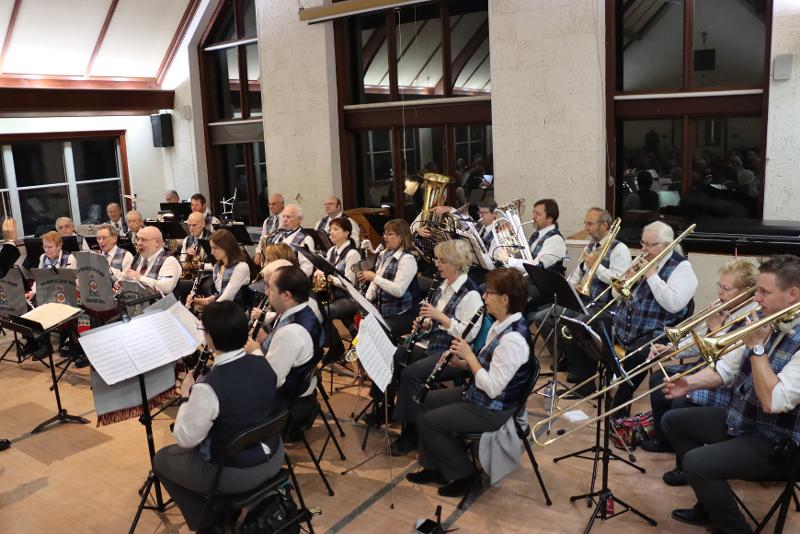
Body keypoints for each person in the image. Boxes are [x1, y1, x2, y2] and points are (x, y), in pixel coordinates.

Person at [662, 255, 800, 534]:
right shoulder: (769, 319)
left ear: (792, 295)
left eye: (764, 292)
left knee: (696, 464)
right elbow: (727, 369)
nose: (756, 298)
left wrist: (757, 349)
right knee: (673, 422)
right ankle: (711, 505)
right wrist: (689, 383)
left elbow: (774, 402)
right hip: (745, 418)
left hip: (777, 442)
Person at [153, 301, 283, 532]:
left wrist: (186, 397)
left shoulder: (208, 387)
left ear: (210, 337)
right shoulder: (263, 363)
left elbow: (185, 439)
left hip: (238, 473)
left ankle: (209, 524)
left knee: (162, 460)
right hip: (275, 455)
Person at [406, 269, 532, 497]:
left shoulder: (513, 340)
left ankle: (465, 474)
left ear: (505, 299)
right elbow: (488, 366)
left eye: (489, 293)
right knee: (424, 401)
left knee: (427, 422)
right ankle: (434, 467)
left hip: (492, 409)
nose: (484, 297)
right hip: (478, 393)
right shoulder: (501, 324)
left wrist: (470, 356)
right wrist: (463, 364)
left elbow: (493, 388)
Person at [642, 259, 758, 485]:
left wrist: (715, 331)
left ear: (746, 291)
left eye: (727, 288)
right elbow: (698, 341)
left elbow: (729, 368)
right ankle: (665, 441)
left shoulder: (750, 318)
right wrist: (671, 349)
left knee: (681, 400)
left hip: (730, 383)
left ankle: (686, 466)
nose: (720, 292)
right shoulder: (724, 307)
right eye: (719, 286)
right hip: (710, 369)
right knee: (659, 380)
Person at [390, 239, 484, 455]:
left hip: (452, 352)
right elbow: (433, 320)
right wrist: (426, 322)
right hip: (432, 342)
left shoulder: (470, 293)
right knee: (398, 355)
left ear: (456, 263)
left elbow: (469, 334)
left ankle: (411, 433)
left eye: (442, 260)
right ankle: (389, 407)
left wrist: (440, 317)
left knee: (411, 374)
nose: (437, 264)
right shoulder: (443, 285)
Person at [611, 220, 697, 411]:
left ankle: (619, 404)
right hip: (625, 327)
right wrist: (627, 279)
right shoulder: (642, 260)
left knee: (636, 355)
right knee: (597, 332)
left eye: (649, 245)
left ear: (666, 246)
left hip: (657, 332)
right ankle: (603, 380)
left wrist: (651, 275)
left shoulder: (682, 268)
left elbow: (674, 304)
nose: (644, 249)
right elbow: (615, 295)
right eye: (643, 243)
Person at [559, 208, 632, 390]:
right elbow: (578, 273)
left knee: (580, 324)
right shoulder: (591, 246)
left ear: (604, 225)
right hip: (588, 299)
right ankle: (573, 366)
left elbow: (619, 282)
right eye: (586, 223)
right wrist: (568, 288)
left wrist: (596, 267)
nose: (586, 228)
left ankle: (586, 381)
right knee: (559, 315)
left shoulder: (619, 249)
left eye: (590, 224)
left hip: (608, 304)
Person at [245, 265, 324, 410]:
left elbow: (270, 380)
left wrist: (255, 350)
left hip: (285, 399)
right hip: (299, 386)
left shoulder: (290, 333)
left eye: (270, 288)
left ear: (286, 295)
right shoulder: (304, 311)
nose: (266, 292)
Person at [359, 218, 419, 339]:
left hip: (401, 313)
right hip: (382, 310)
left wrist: (374, 277)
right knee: (358, 327)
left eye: (390, 234)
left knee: (373, 332)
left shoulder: (407, 259)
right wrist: (367, 301)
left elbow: (398, 290)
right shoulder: (384, 254)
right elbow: (375, 283)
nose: (385, 237)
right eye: (385, 233)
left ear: (401, 237)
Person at [495, 198, 567, 275]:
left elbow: (537, 266)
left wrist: (509, 260)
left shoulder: (555, 240)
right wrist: (508, 238)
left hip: (544, 281)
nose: (533, 216)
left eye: (538, 214)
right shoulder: (535, 233)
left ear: (549, 219)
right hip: (529, 278)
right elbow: (525, 254)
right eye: (534, 212)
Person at [187, 229, 250, 311]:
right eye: (211, 248)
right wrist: (198, 300)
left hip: (236, 313)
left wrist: (208, 309)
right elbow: (220, 294)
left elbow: (227, 297)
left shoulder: (241, 267)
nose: (212, 252)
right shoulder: (217, 267)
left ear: (226, 247)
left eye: (215, 248)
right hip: (222, 310)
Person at [313, 217, 360, 322]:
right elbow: (325, 269)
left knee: (322, 312)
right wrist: (320, 272)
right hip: (333, 294)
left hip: (348, 298)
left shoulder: (352, 254)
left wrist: (328, 278)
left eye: (335, 229)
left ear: (346, 233)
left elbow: (349, 284)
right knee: (310, 306)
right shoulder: (332, 250)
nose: (331, 232)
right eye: (330, 229)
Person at [121, 226, 181, 294]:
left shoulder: (169, 260)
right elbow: (132, 279)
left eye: (143, 240)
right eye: (138, 239)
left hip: (158, 300)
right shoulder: (139, 257)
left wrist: (139, 278)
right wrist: (122, 282)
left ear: (157, 242)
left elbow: (166, 287)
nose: (139, 243)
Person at [260, 204, 315, 277]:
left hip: (291, 280)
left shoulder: (305, 239)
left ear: (299, 220)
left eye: (288, 217)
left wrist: (288, 278)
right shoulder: (276, 234)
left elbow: (307, 269)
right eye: (283, 216)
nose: (285, 220)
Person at [255, 194, 285, 267]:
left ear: (282, 204)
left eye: (274, 204)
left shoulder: (287, 220)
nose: (271, 206)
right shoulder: (267, 221)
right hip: (266, 256)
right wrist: (258, 252)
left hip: (281, 257)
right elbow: (262, 239)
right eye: (269, 204)